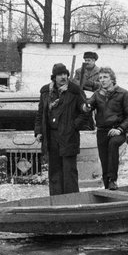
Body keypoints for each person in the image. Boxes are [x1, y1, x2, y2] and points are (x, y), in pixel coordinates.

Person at [35, 63, 91, 195]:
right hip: (51, 136)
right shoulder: (45, 92)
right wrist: (38, 131)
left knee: (69, 171)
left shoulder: (75, 91)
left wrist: (73, 126)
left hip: (68, 136)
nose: (63, 77)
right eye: (60, 74)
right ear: (54, 77)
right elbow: (40, 113)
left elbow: (85, 111)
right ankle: (55, 200)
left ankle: (72, 201)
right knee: (54, 171)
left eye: (65, 74)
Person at [87, 67, 128, 190]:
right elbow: (88, 105)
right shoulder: (97, 94)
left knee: (113, 145)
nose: (102, 80)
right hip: (102, 131)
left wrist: (120, 129)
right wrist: (85, 106)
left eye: (105, 77)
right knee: (104, 158)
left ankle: (113, 180)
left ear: (112, 79)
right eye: (100, 78)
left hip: (118, 130)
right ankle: (107, 185)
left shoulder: (123, 93)